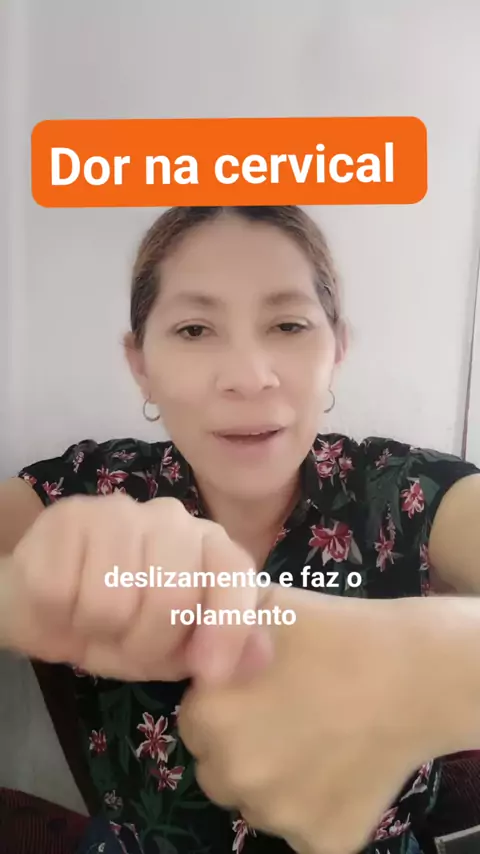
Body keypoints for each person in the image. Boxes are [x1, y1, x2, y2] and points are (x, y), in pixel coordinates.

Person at [0, 204, 480, 854]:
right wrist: (27, 594)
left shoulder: (403, 492)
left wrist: (431, 666)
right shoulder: (92, 487)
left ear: (337, 348)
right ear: (140, 363)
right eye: (195, 329)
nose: (249, 378)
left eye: (288, 324)